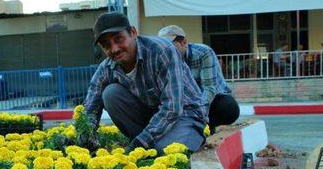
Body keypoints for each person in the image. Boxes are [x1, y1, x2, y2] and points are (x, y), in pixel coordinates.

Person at [81, 12, 207, 153]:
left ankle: (193, 135)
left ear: (133, 33)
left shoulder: (161, 52)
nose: (114, 48)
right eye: (106, 45)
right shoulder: (107, 67)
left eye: (119, 39)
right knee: (110, 93)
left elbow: (172, 109)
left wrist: (140, 143)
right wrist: (83, 137)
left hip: (186, 114)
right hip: (152, 117)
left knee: (164, 151)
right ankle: (144, 144)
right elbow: (91, 107)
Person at [158, 25, 240, 133]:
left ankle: (208, 126)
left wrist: (200, 115)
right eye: (164, 47)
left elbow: (209, 88)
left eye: (171, 46)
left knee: (228, 108)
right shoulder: (163, 58)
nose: (167, 51)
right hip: (187, 103)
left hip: (212, 99)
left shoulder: (203, 52)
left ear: (184, 43)